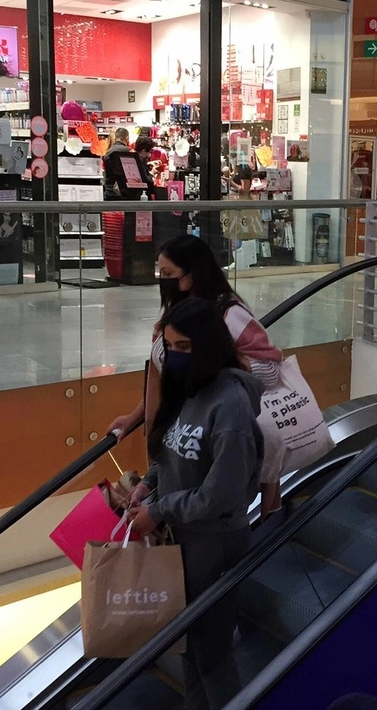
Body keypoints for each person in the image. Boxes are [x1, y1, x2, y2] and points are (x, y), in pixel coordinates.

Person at [124, 297, 264, 710]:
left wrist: (161, 510)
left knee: (213, 656)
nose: (175, 357)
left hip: (215, 544)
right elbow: (170, 452)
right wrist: (149, 485)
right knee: (189, 648)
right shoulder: (187, 391)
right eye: (170, 347)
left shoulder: (231, 405)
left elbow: (220, 494)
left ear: (208, 346)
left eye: (184, 347)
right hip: (181, 542)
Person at [107, 234, 283, 498]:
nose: (162, 280)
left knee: (193, 505)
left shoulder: (227, 314)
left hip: (202, 441)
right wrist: (137, 414)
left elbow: (269, 370)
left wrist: (219, 365)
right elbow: (165, 375)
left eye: (168, 273)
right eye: (160, 272)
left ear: (193, 272)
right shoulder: (178, 311)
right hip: (174, 434)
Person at [101, 127, 132, 200]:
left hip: (108, 190)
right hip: (120, 191)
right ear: (126, 138)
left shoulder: (108, 152)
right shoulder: (127, 151)